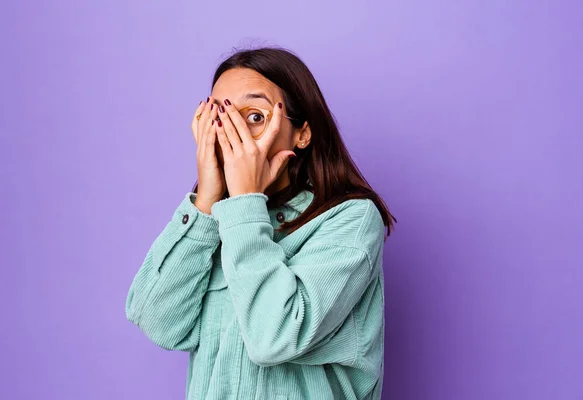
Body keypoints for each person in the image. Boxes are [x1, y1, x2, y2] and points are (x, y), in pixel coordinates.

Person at [125, 47, 396, 400]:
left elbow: (276, 337)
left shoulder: (351, 219)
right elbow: (160, 324)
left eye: (254, 117)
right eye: (220, 118)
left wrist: (243, 206)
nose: (232, 134)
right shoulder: (214, 223)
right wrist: (207, 202)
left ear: (302, 133)